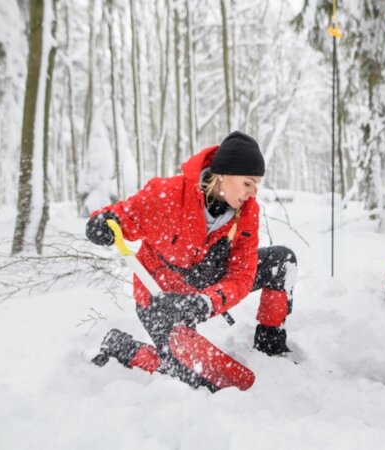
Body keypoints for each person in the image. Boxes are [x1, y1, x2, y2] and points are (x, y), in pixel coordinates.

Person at [85, 131, 297, 392]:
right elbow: (124, 216)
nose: (253, 192)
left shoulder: (248, 213)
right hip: (161, 297)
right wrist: (104, 222)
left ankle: (270, 346)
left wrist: (206, 302)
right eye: (248, 183)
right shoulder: (169, 195)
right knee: (194, 379)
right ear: (224, 175)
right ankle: (123, 347)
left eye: (256, 184)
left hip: (205, 287)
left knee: (281, 262)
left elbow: (241, 275)